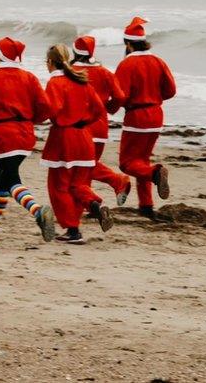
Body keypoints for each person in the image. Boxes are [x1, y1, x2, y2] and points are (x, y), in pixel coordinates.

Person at [0, 37, 56, 242]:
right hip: (25, 133)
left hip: (1, 134)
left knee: (10, 179)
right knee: (2, 178)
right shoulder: (29, 77)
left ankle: (38, 212)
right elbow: (46, 107)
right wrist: (30, 119)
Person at [41, 44, 114, 244]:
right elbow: (100, 110)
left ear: (50, 62)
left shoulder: (55, 83)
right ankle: (93, 205)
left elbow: (53, 111)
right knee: (78, 184)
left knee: (59, 186)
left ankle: (73, 230)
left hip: (64, 137)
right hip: (84, 136)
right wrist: (83, 121)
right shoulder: (82, 80)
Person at [114, 16, 176, 220]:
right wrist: (155, 98)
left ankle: (155, 174)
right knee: (142, 161)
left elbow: (120, 95)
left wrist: (109, 108)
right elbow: (170, 90)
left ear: (128, 44)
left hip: (137, 117)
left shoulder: (127, 64)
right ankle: (146, 205)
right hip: (156, 115)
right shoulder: (158, 61)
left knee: (127, 163)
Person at [71, 36, 132, 204]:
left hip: (79, 127)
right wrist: (109, 109)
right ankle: (91, 203)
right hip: (100, 126)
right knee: (88, 166)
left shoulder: (70, 71)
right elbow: (120, 96)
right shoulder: (105, 72)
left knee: (80, 167)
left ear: (74, 52)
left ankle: (116, 180)